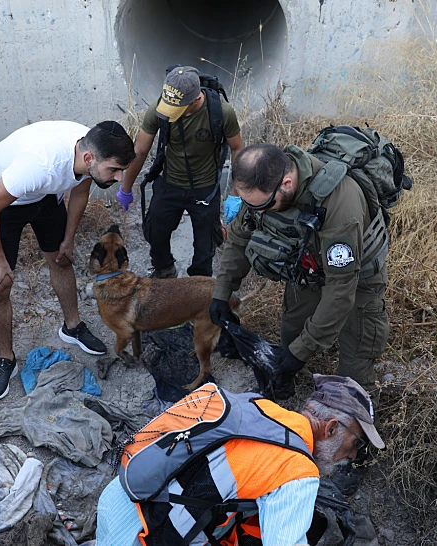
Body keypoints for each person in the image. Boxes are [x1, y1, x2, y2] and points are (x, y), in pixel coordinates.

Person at [96, 374, 384, 546]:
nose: (353, 455)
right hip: (141, 534)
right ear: (331, 427)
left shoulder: (257, 406)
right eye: (356, 442)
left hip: (119, 498)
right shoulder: (297, 469)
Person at [209, 143, 390, 401]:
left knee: (353, 377)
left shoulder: (339, 203)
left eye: (264, 206)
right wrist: (222, 293)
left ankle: (359, 427)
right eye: (252, 206)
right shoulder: (262, 189)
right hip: (309, 269)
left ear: (287, 183)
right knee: (290, 339)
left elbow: (341, 290)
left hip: (356, 278)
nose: (257, 212)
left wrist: (300, 352)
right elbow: (239, 238)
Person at [0, 120, 135, 400]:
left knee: (61, 260)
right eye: (115, 170)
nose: (120, 178)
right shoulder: (38, 165)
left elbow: (81, 191)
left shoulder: (91, 148)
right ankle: (5, 359)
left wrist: (68, 239)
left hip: (45, 197)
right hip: (3, 204)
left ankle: (72, 327)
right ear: (89, 158)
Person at [116, 66, 244, 278]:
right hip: (170, 183)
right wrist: (126, 188)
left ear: (195, 100)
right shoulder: (161, 108)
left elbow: (238, 148)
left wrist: (235, 193)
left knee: (206, 245)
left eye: (177, 109)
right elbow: (139, 150)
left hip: (205, 189)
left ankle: (198, 285)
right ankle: (165, 269)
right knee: (155, 231)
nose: (170, 113)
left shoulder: (221, 112)